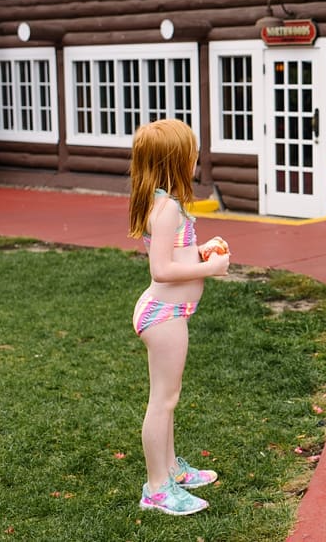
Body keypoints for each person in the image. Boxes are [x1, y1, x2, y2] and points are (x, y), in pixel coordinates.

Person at [127, 119, 230, 515]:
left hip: (170, 313)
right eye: (191, 152)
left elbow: (173, 254)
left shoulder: (165, 201)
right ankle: (156, 489)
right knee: (163, 401)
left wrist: (201, 250)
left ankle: (170, 469)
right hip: (164, 315)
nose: (195, 158)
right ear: (174, 160)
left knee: (169, 398)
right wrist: (211, 270)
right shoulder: (166, 207)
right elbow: (161, 271)